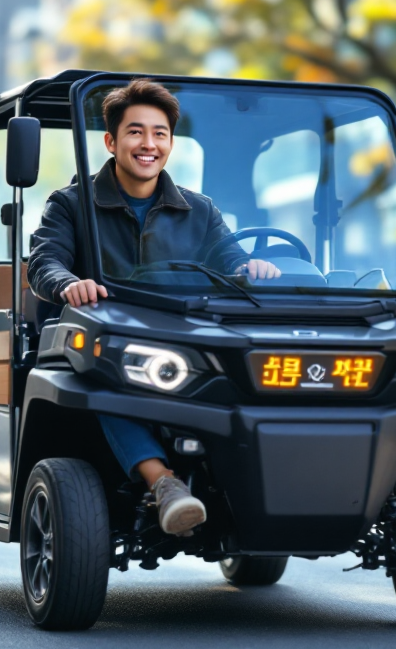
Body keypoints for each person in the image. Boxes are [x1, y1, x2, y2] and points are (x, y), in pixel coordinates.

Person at [27, 79, 280, 536]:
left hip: (183, 342)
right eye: (136, 132)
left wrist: (252, 268)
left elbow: (231, 261)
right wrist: (69, 284)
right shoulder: (69, 204)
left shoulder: (200, 210)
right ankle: (163, 484)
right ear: (111, 141)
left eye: (160, 133)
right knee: (102, 378)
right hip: (106, 342)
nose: (149, 144)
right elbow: (44, 262)